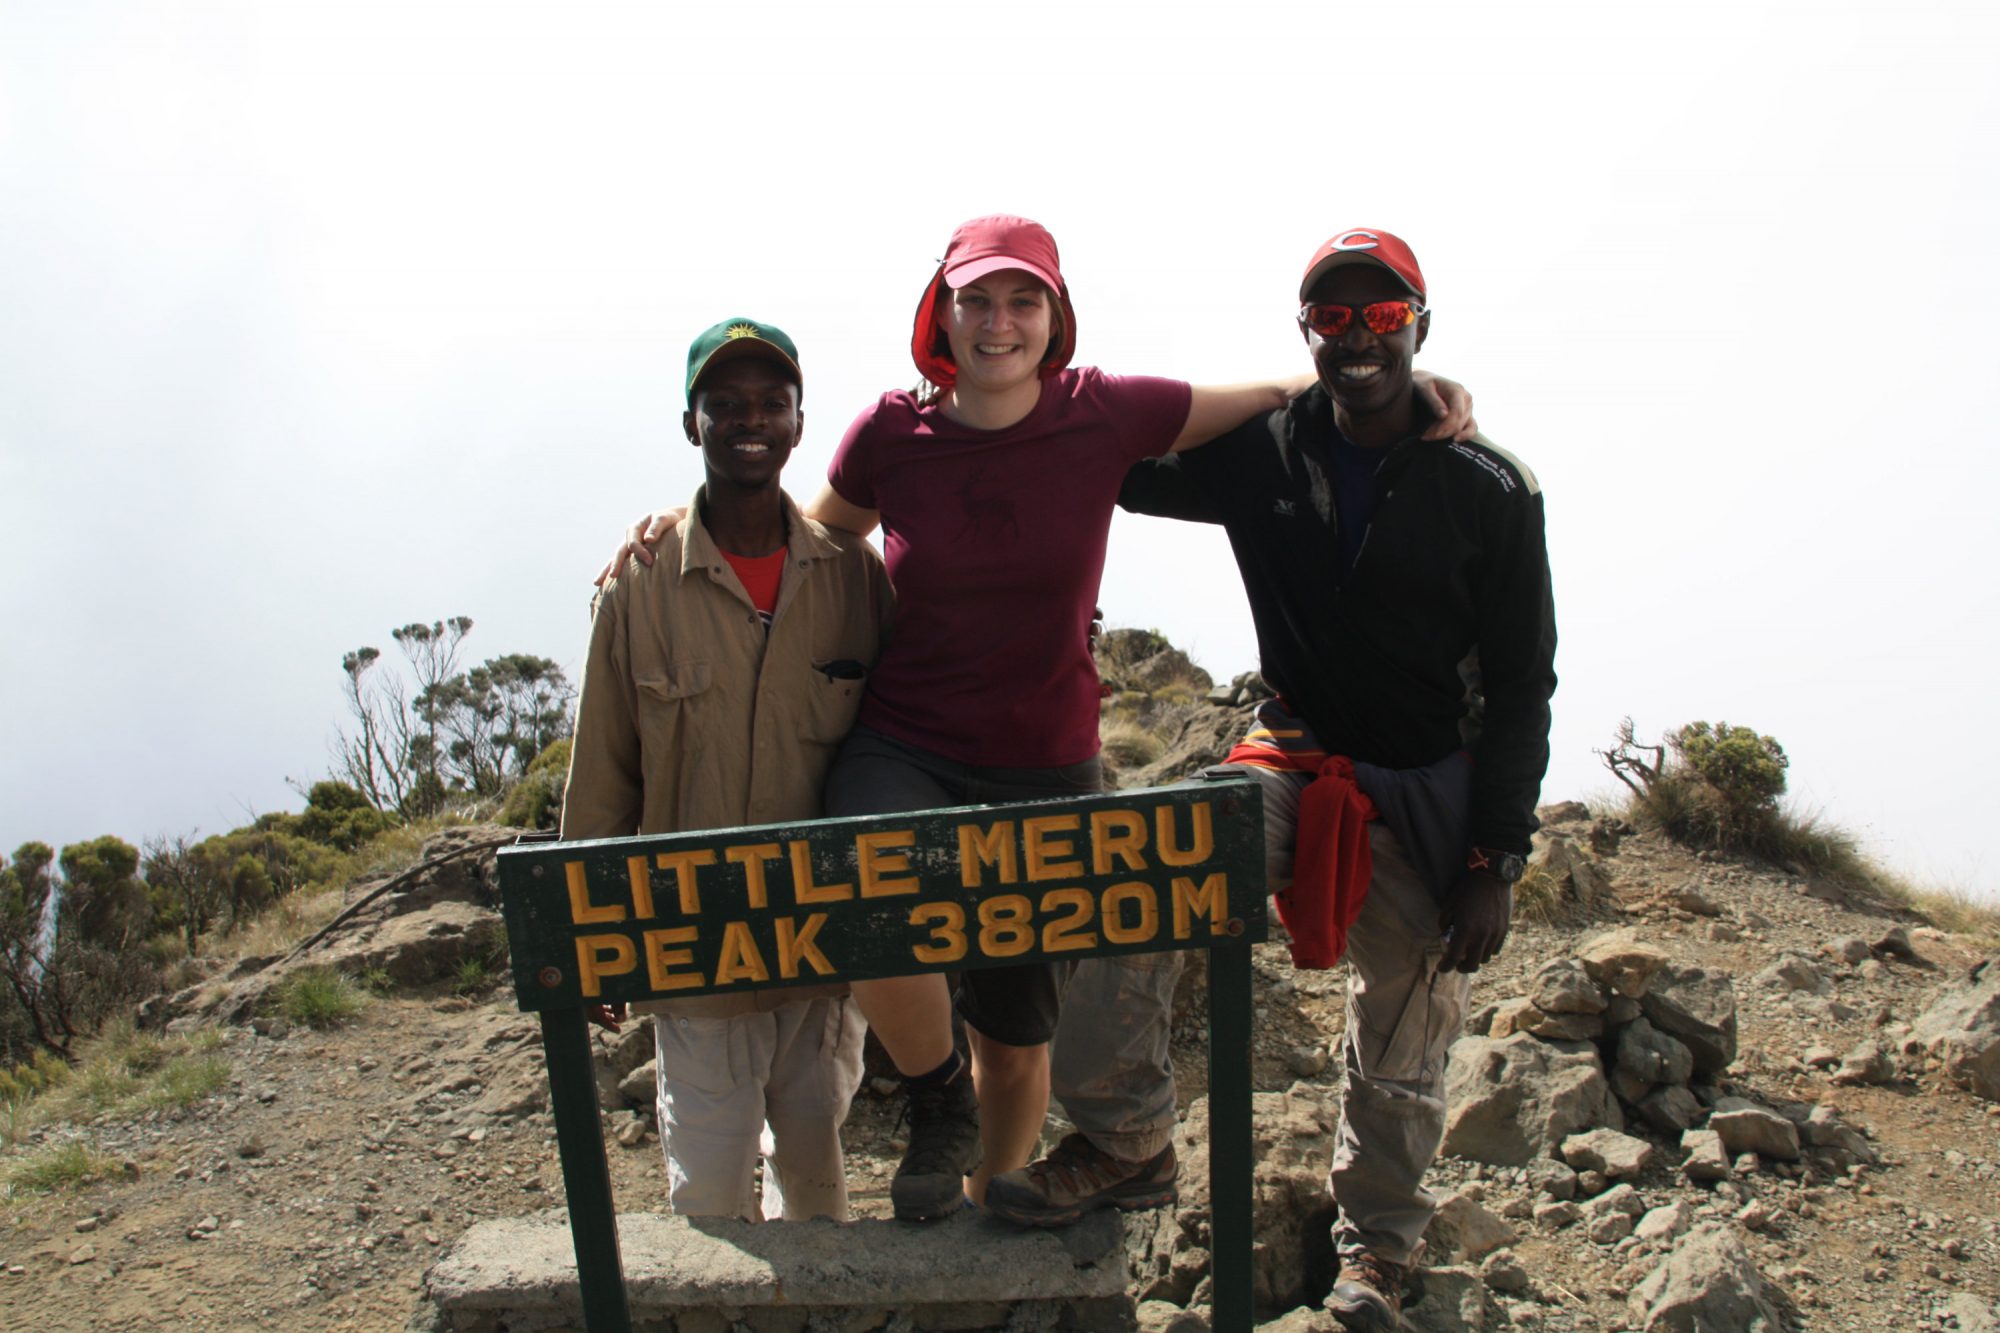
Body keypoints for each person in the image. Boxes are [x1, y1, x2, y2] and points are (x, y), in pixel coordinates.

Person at [600, 215, 1477, 1227]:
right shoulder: (892, 430)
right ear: (944, 313)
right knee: (862, 878)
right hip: (907, 740)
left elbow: (1275, 392)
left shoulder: (1103, 411)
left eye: (1022, 300)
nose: (997, 321)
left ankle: (986, 1210)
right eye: (975, 299)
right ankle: (935, 1098)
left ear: (1053, 317)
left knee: (1018, 1035)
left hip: (1047, 761)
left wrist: (1421, 392)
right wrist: (683, 522)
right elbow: (810, 537)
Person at [1110, 228, 1556, 1328]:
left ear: (1419, 325)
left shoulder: (1487, 484)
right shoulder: (1261, 446)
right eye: (1331, 318)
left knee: (1401, 1036)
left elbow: (1521, 678)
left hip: (1426, 786)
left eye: (1382, 316)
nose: (1357, 337)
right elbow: (1106, 457)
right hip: (1294, 752)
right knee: (1145, 864)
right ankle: (1118, 1144)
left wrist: (1494, 855)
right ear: (1303, 332)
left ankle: (1374, 1257)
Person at [560, 317, 894, 1222]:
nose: (750, 420)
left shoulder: (859, 582)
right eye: (725, 405)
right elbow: (603, 775)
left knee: (818, 1196)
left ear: (797, 423)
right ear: (691, 424)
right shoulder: (637, 587)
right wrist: (596, 937)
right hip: (694, 951)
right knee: (707, 1205)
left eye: (770, 404)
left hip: (823, 955)